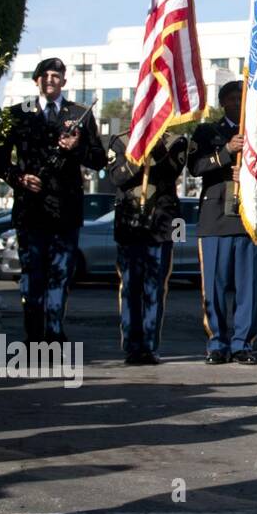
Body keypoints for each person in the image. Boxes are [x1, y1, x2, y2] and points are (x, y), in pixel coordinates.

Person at [0, 57, 106, 342]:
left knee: (60, 273)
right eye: (45, 75)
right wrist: (18, 178)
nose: (50, 79)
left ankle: (54, 331)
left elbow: (98, 159)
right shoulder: (18, 113)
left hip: (66, 208)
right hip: (31, 208)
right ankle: (34, 334)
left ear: (64, 81)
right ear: (36, 80)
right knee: (32, 275)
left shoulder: (79, 114)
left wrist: (76, 147)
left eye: (56, 75)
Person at [189, 81, 257, 365]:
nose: (237, 104)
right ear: (223, 103)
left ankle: (243, 343)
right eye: (232, 99)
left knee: (248, 288)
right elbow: (195, 167)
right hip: (216, 220)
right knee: (216, 287)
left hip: (248, 219)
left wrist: (252, 176)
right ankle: (217, 343)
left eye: (242, 99)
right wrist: (225, 153)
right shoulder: (208, 131)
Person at [106, 128, 188, 364]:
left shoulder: (176, 141)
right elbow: (116, 178)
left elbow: (172, 172)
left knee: (155, 289)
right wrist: (138, 155)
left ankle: (150, 346)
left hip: (161, 226)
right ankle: (132, 345)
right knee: (130, 287)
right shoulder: (120, 140)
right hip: (129, 225)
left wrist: (158, 149)